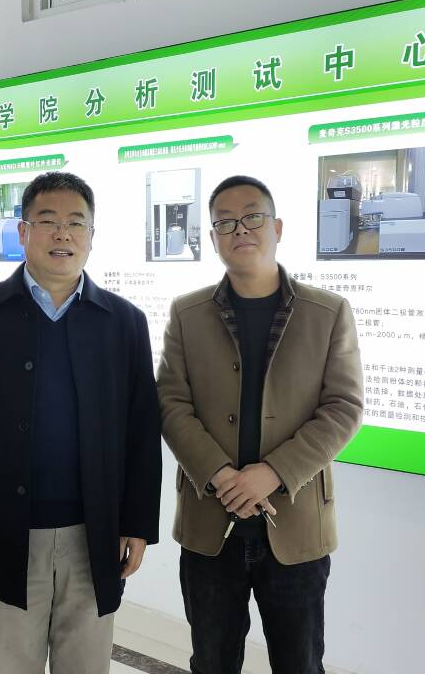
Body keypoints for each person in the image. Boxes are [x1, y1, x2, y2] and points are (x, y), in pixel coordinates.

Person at [0, 171, 162, 674]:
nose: (63, 233)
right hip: (5, 531)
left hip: (95, 532)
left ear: (91, 236)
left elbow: (142, 431)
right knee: (12, 662)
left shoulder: (124, 322)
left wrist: (137, 523)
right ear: (23, 232)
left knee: (86, 664)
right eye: (47, 221)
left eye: (76, 223)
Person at [156, 175, 364, 674]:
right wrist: (221, 475)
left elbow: (344, 407)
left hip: (296, 527)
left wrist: (272, 473)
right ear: (212, 238)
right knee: (212, 662)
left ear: (277, 228)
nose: (240, 229)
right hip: (211, 524)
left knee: (299, 664)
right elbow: (170, 403)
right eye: (225, 222)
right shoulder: (187, 313)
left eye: (252, 216)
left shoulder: (327, 312)